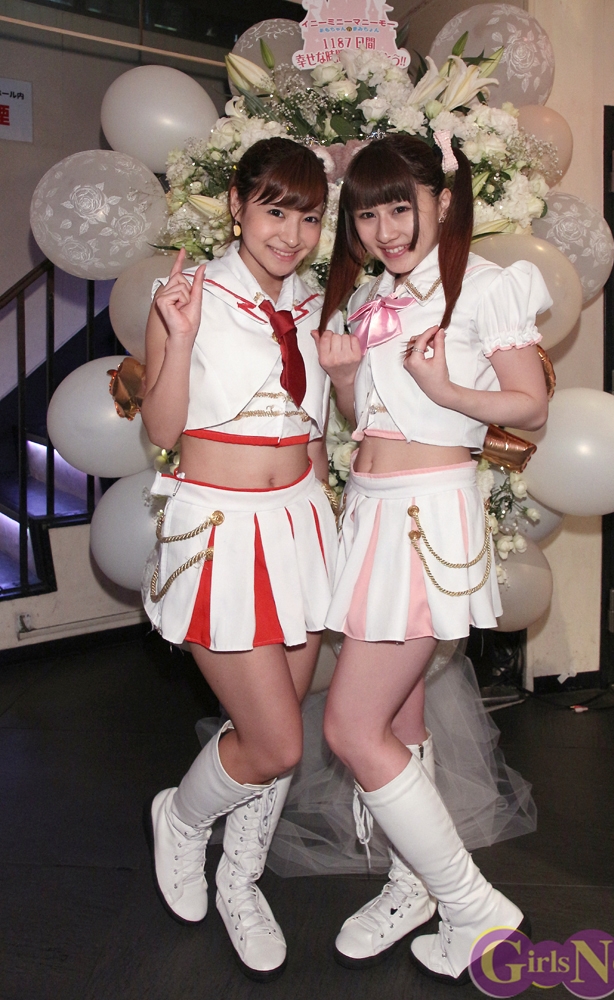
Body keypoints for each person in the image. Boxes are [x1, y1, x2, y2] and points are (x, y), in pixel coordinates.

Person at [312, 132, 551, 983]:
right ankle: (414, 886)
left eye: (398, 207)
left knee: (349, 727)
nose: (383, 229)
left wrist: (447, 389)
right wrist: (346, 378)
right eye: (365, 214)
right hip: (371, 509)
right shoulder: (372, 296)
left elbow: (530, 404)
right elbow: (365, 421)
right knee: (399, 717)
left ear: (441, 201)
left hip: (425, 515)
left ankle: (471, 905)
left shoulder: (482, 285)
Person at [140, 137, 341, 982]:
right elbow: (161, 430)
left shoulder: (318, 305)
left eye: (308, 216)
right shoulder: (185, 296)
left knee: (277, 724)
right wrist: (180, 334)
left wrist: (328, 522)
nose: (290, 234)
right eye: (274, 210)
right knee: (275, 742)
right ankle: (183, 819)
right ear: (235, 204)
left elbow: (315, 433)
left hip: (299, 524)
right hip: (219, 527)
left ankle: (240, 878)